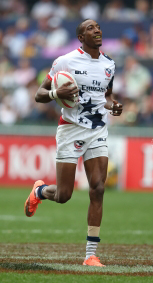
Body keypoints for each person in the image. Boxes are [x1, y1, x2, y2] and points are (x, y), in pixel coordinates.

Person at [24, 19, 123, 267]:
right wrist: (57, 94)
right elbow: (39, 94)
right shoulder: (65, 61)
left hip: (98, 129)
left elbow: (106, 97)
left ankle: (90, 255)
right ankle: (39, 191)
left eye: (98, 26)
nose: (96, 30)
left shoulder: (109, 64)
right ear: (80, 37)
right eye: (90, 28)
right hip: (70, 130)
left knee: (98, 188)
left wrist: (114, 106)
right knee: (64, 194)